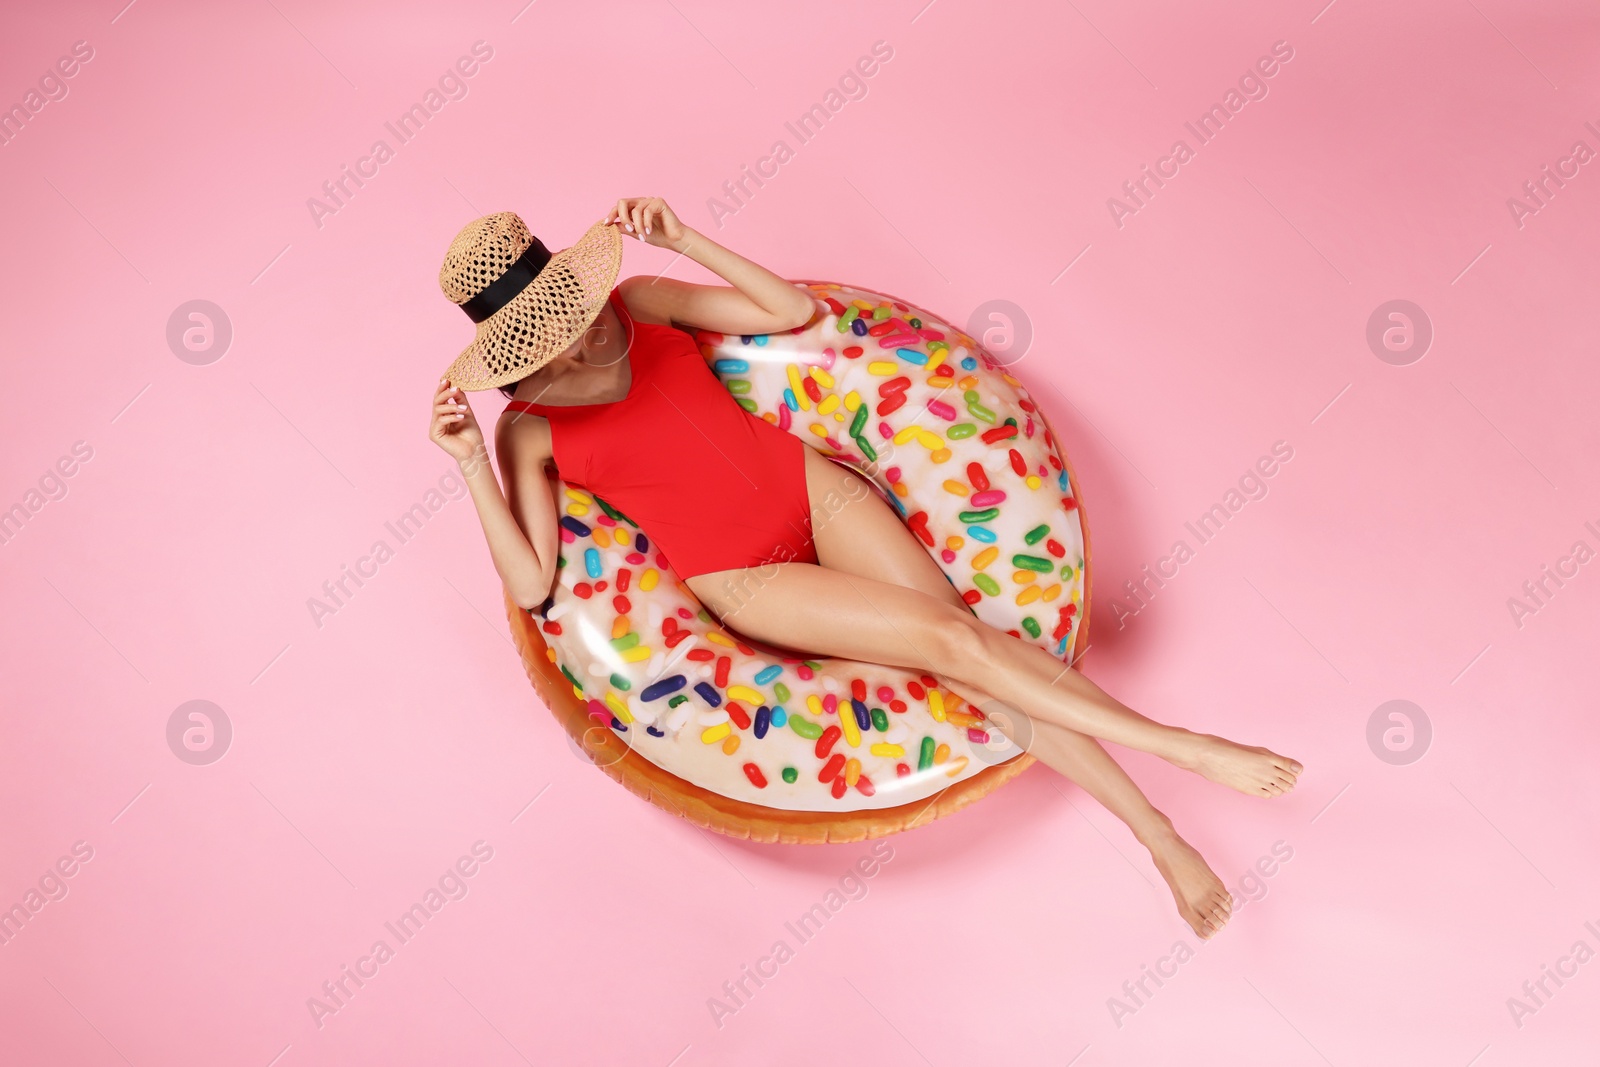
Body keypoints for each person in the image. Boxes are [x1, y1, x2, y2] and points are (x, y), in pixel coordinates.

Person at [428, 196, 1302, 939]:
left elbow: (783, 315)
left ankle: (1158, 834)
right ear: (514, 356)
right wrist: (470, 461)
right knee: (941, 639)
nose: (576, 345)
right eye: (545, 341)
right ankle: (1183, 754)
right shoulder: (528, 428)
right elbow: (537, 581)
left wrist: (687, 238)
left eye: (571, 317)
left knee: (964, 644)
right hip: (742, 576)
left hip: (811, 491)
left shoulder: (643, 301)